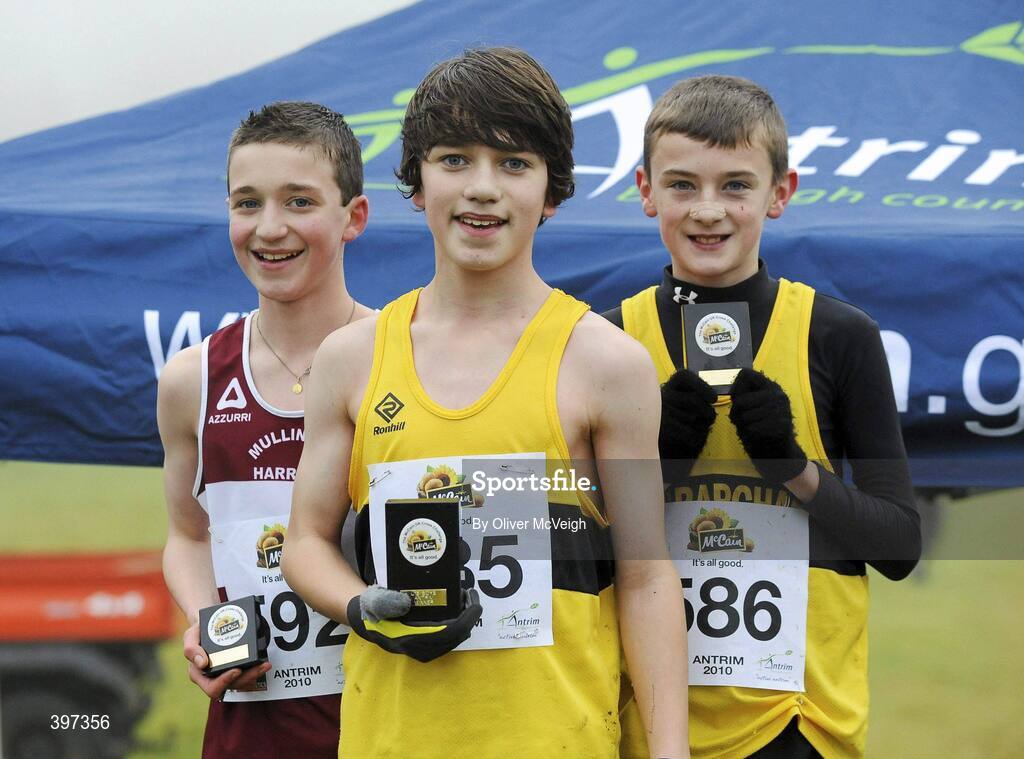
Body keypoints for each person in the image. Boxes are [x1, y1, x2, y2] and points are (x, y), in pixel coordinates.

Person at [283, 47, 688, 758]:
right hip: (391, 740)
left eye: (513, 163)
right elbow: (307, 542)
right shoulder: (350, 359)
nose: (482, 188)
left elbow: (647, 575)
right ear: (415, 181)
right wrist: (357, 604)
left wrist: (670, 751)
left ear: (552, 190)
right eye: (454, 159)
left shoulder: (608, 364)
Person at [604, 75, 921, 758]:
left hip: (800, 724)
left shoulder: (840, 335)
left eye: (737, 185)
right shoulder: (605, 341)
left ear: (781, 192)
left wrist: (795, 470)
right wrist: (654, 471)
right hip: (647, 721)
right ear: (644, 190)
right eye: (682, 184)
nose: (708, 210)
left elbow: (899, 546)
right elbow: (564, 545)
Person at [157, 101, 371, 757]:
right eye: (246, 203)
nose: (269, 228)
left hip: (388, 722)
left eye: (299, 201)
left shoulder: (403, 358)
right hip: (251, 733)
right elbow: (189, 536)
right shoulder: (191, 379)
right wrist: (203, 624)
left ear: (352, 217)